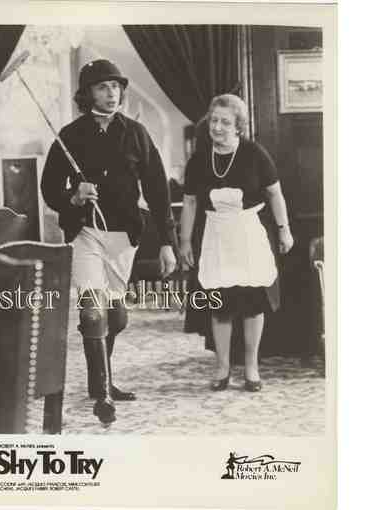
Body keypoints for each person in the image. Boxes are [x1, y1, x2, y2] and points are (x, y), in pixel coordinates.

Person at [41, 59, 176, 424]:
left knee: (115, 316)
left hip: (124, 237)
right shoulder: (69, 136)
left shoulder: (136, 133)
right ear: (88, 94)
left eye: (116, 86)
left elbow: (158, 190)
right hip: (84, 234)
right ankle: (102, 394)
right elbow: (49, 188)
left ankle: (100, 377)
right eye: (103, 87)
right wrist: (73, 197)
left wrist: (167, 242)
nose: (111, 93)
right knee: (92, 309)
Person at [179, 94, 294, 392]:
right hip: (215, 235)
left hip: (248, 233)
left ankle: (252, 367)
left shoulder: (254, 153)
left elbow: (275, 194)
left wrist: (284, 230)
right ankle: (222, 367)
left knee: (254, 303)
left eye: (225, 122)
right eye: (214, 120)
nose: (217, 127)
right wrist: (185, 241)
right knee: (221, 304)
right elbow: (190, 202)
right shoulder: (199, 159)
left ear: (239, 126)